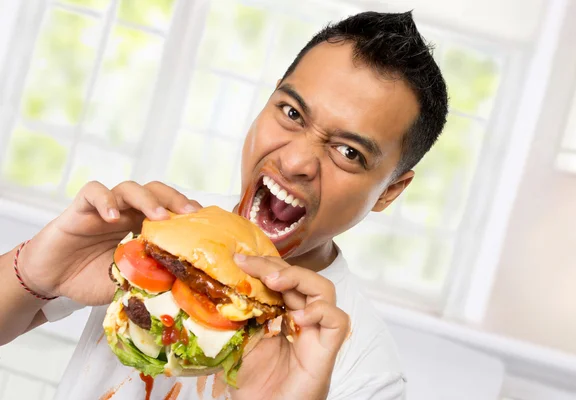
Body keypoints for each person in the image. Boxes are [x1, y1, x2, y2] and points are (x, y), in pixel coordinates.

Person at [0, 10, 447, 400]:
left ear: (390, 191)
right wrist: (33, 273)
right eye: (291, 113)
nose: (294, 162)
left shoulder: (366, 370)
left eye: (349, 153)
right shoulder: (156, 230)